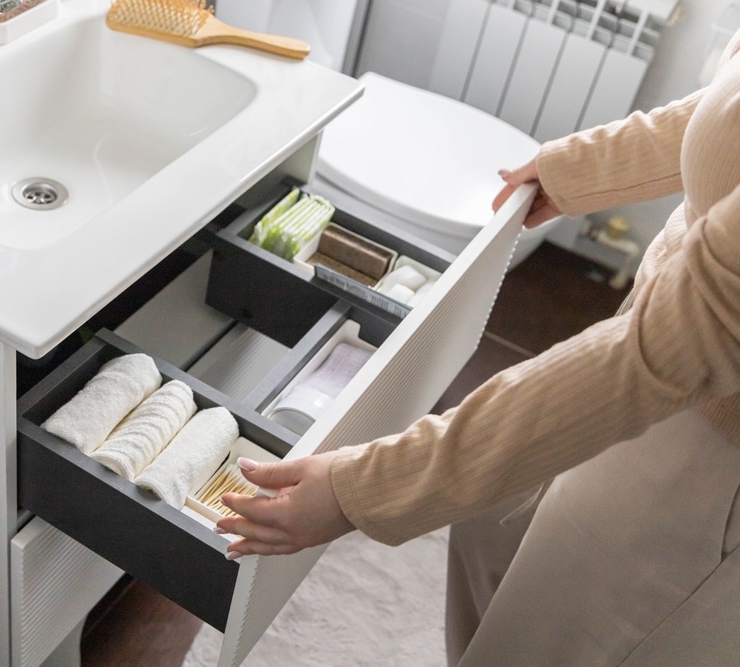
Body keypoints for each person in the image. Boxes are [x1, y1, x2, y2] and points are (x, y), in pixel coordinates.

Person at [214, 27, 740, 667]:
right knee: (492, 528)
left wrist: (364, 491)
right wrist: (576, 169)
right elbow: (723, 105)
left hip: (711, 454)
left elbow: (650, 357)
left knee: (538, 639)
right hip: (676, 332)